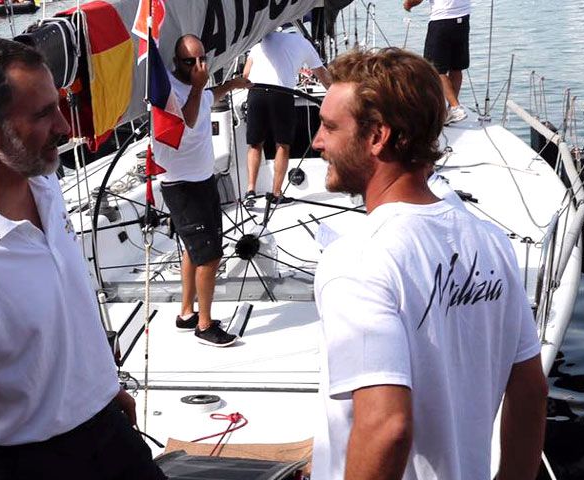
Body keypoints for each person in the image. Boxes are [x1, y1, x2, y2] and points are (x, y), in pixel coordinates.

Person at [0, 37, 165, 480]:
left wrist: (103, 387)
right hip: (30, 463)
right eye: (43, 114)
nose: (65, 127)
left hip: (106, 426)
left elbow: (68, 302)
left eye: (58, 105)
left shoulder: (45, 185)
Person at [310, 48, 547, 480]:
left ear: (377, 136)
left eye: (329, 127)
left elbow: (386, 426)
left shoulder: (356, 259)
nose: (317, 141)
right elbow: (530, 393)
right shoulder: (492, 243)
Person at [153, 34, 251, 347]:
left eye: (202, 59)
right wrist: (198, 85)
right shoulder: (169, 91)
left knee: (191, 251)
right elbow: (190, 120)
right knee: (209, 256)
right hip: (182, 187)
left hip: (202, 180)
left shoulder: (197, 88)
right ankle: (205, 325)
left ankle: (186, 313)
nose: (199, 66)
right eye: (190, 61)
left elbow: (210, 95)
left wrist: (233, 85)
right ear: (174, 63)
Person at [243, 31, 332, 203]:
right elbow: (322, 75)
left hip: (256, 92)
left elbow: (246, 74)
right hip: (281, 94)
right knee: (282, 144)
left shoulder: (261, 40)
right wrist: (337, 95)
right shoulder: (303, 43)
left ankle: (250, 191)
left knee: (255, 143)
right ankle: (276, 194)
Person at [404, 0, 470, 125]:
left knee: (434, 68)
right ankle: (451, 110)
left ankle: (455, 107)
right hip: (463, 19)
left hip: (442, 21)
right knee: (456, 67)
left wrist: (408, 5)